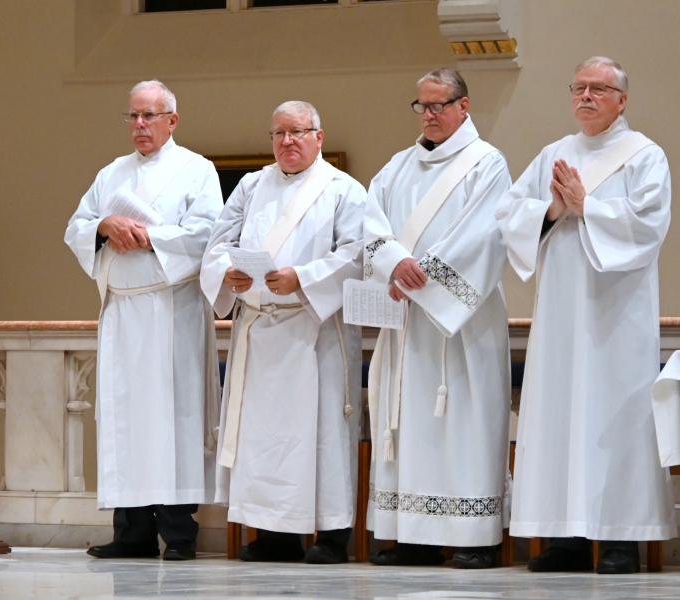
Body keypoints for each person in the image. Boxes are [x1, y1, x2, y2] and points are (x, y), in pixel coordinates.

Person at [495, 56, 677, 574]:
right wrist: (552, 210)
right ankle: (566, 538)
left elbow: (648, 225)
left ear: (622, 99)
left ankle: (620, 538)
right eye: (579, 87)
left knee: (613, 415)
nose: (587, 96)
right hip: (560, 310)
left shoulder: (645, 155)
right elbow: (511, 214)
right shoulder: (554, 153)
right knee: (560, 412)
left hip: (617, 312)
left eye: (600, 89)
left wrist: (586, 206)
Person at [201, 101, 366, 564]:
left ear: (319, 136)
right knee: (265, 438)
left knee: (322, 434)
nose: (287, 141)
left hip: (313, 329)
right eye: (278, 134)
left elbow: (359, 252)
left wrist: (305, 278)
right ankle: (275, 533)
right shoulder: (252, 186)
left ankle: (332, 535)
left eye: (297, 132)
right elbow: (219, 243)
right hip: (258, 328)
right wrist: (227, 274)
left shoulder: (343, 190)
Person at [65, 80, 223, 561]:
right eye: (132, 116)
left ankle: (178, 533)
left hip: (169, 308)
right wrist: (103, 226)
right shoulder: (111, 173)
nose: (139, 125)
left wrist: (152, 237)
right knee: (125, 421)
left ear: (172, 121)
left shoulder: (197, 170)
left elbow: (208, 234)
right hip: (123, 312)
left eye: (149, 116)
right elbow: (76, 225)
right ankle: (130, 532)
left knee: (172, 419)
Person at [363, 68, 511, 569]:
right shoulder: (396, 167)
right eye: (421, 106)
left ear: (463, 106)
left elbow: (483, 237)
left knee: (462, 425)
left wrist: (420, 273)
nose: (427, 115)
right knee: (406, 427)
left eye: (438, 106)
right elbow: (368, 224)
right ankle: (411, 535)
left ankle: (475, 537)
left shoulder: (486, 164)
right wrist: (391, 263)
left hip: (460, 324)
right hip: (405, 318)